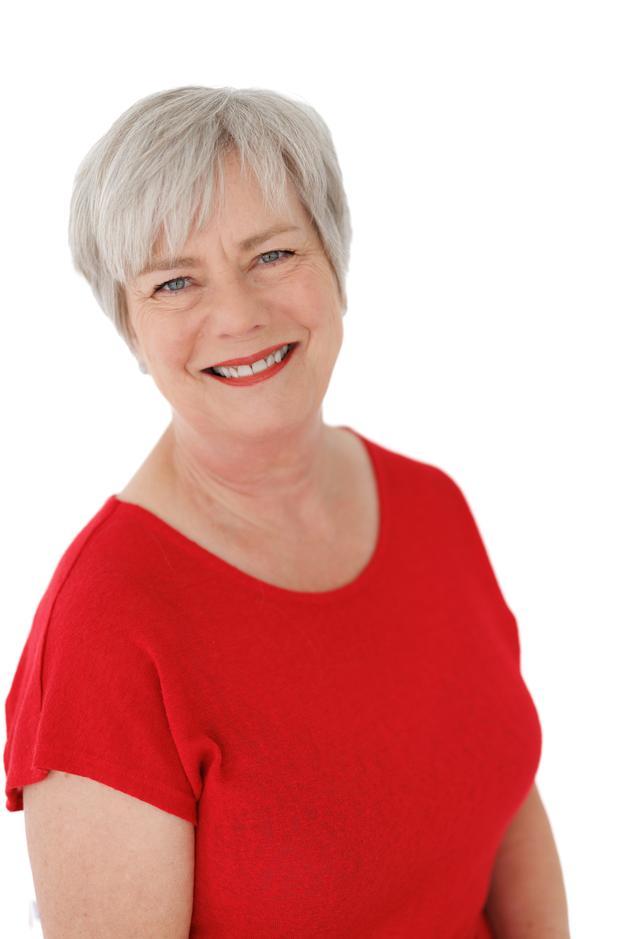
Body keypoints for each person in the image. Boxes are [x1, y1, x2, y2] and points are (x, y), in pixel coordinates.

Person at [3, 85, 570, 938]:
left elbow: (506, 800)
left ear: (334, 261)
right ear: (129, 324)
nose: (238, 314)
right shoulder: (105, 626)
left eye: (272, 254)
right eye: (174, 281)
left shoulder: (432, 506)